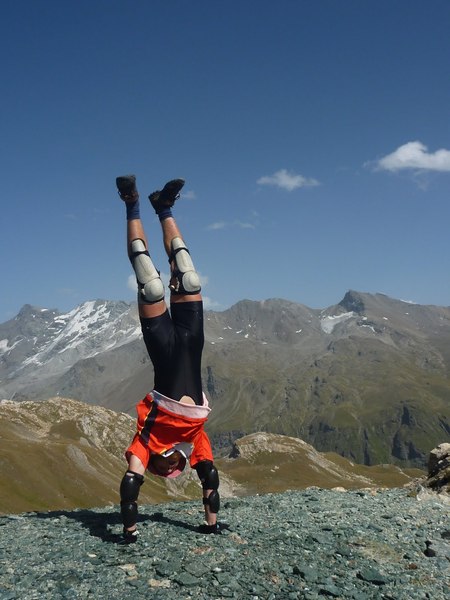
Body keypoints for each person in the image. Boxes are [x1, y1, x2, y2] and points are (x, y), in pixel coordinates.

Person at [116, 174, 224, 543]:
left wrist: (129, 531)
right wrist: (211, 524)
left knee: (151, 283)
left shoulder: (144, 446)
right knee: (189, 277)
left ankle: (130, 202)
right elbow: (209, 477)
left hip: (162, 346)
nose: (178, 466)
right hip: (193, 343)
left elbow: (131, 483)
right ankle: (164, 207)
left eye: (172, 468)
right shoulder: (195, 443)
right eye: (180, 467)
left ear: (161, 469)